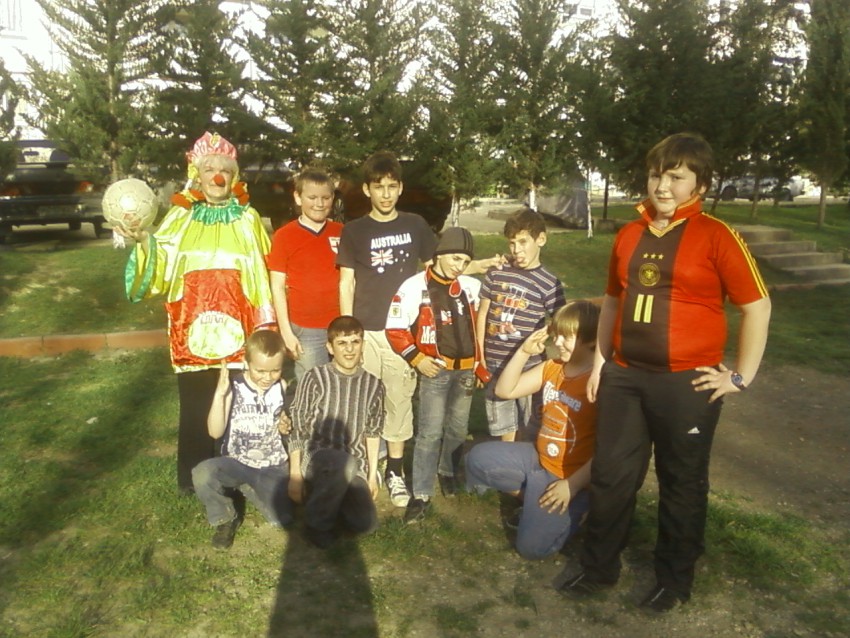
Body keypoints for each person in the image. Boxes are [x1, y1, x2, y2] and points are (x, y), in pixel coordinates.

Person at [559, 133, 771, 613]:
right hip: (626, 378)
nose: (663, 186)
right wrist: (601, 363)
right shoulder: (629, 234)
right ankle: (598, 568)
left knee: (682, 483)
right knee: (612, 476)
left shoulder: (717, 235)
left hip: (686, 384)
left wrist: (740, 376)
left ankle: (673, 581)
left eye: (676, 177)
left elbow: (757, 306)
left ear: (700, 183)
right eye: (657, 175)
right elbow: (613, 300)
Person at [120, 132, 276, 494]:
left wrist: (265, 323)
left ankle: (236, 477)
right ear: (197, 175)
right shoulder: (180, 217)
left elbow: (263, 271)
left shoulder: (248, 219)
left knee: (237, 408)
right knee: (195, 408)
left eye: (225, 171)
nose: (218, 177)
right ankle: (193, 480)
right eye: (210, 170)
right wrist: (144, 241)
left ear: (234, 178)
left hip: (239, 333)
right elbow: (160, 262)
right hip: (191, 332)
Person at [466, 300, 600, 559]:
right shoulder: (553, 367)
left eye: (567, 337)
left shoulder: (598, 381)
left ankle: (580, 507)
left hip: (570, 475)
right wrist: (523, 352)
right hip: (539, 459)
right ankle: (536, 501)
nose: (557, 342)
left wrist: (571, 485)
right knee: (477, 459)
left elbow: (608, 450)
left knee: (532, 549)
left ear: (591, 339)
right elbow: (505, 390)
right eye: (556, 335)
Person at [385, 227, 483, 523]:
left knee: (458, 428)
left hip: (466, 370)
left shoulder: (471, 287)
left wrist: (480, 364)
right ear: (439, 254)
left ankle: (448, 471)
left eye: (465, 262)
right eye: (455, 258)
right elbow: (395, 328)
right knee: (429, 432)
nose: (459, 266)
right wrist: (417, 358)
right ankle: (422, 493)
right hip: (436, 371)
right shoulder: (414, 286)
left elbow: (482, 325)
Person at [287, 316, 384, 549]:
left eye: (355, 342)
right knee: (343, 463)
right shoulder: (315, 377)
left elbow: (373, 432)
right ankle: (316, 525)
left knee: (365, 523)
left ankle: (328, 499)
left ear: (362, 344)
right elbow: (298, 427)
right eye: (342, 343)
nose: (349, 349)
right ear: (330, 348)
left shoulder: (374, 385)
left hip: (354, 462)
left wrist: (371, 476)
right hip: (318, 457)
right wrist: (295, 476)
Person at [191, 330, 293, 549]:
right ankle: (225, 517)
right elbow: (215, 432)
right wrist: (220, 396)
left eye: (275, 370)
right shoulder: (233, 387)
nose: (268, 377)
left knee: (282, 520)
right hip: (237, 461)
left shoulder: (281, 387)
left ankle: (249, 488)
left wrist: (284, 425)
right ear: (246, 363)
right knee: (203, 473)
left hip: (272, 465)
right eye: (260, 371)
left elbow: (281, 420)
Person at [476, 208, 565, 442]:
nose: (516, 250)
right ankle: (508, 459)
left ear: (541, 239)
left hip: (529, 366)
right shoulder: (497, 273)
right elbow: (483, 313)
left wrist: (545, 337)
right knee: (503, 426)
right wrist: (479, 353)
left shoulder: (549, 283)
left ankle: (527, 459)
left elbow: (560, 321)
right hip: (495, 362)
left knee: (530, 424)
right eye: (512, 243)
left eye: (523, 242)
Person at [268, 167, 342, 381]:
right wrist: (286, 332)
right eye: (312, 197)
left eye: (325, 198)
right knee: (313, 387)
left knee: (341, 386)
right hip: (306, 329)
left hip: (340, 326)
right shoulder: (284, 236)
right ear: (298, 198)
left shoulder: (342, 232)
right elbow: (277, 286)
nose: (319, 204)